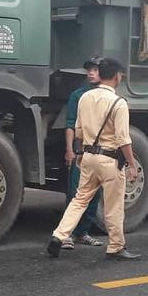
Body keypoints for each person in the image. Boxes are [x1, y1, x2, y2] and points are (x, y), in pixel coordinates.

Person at [46, 57, 141, 261]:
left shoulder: (85, 98)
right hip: (109, 160)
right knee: (113, 205)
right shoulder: (119, 103)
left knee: (79, 199)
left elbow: (78, 130)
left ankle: (59, 236)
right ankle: (116, 247)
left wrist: (80, 154)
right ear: (117, 77)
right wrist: (132, 164)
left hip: (88, 156)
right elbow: (123, 139)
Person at [60, 58, 105, 249]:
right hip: (81, 153)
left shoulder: (109, 97)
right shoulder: (77, 96)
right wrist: (69, 149)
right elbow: (70, 124)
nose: (90, 73)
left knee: (95, 194)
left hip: (102, 153)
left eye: (95, 70)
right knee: (76, 194)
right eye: (89, 70)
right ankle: (66, 234)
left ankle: (83, 232)